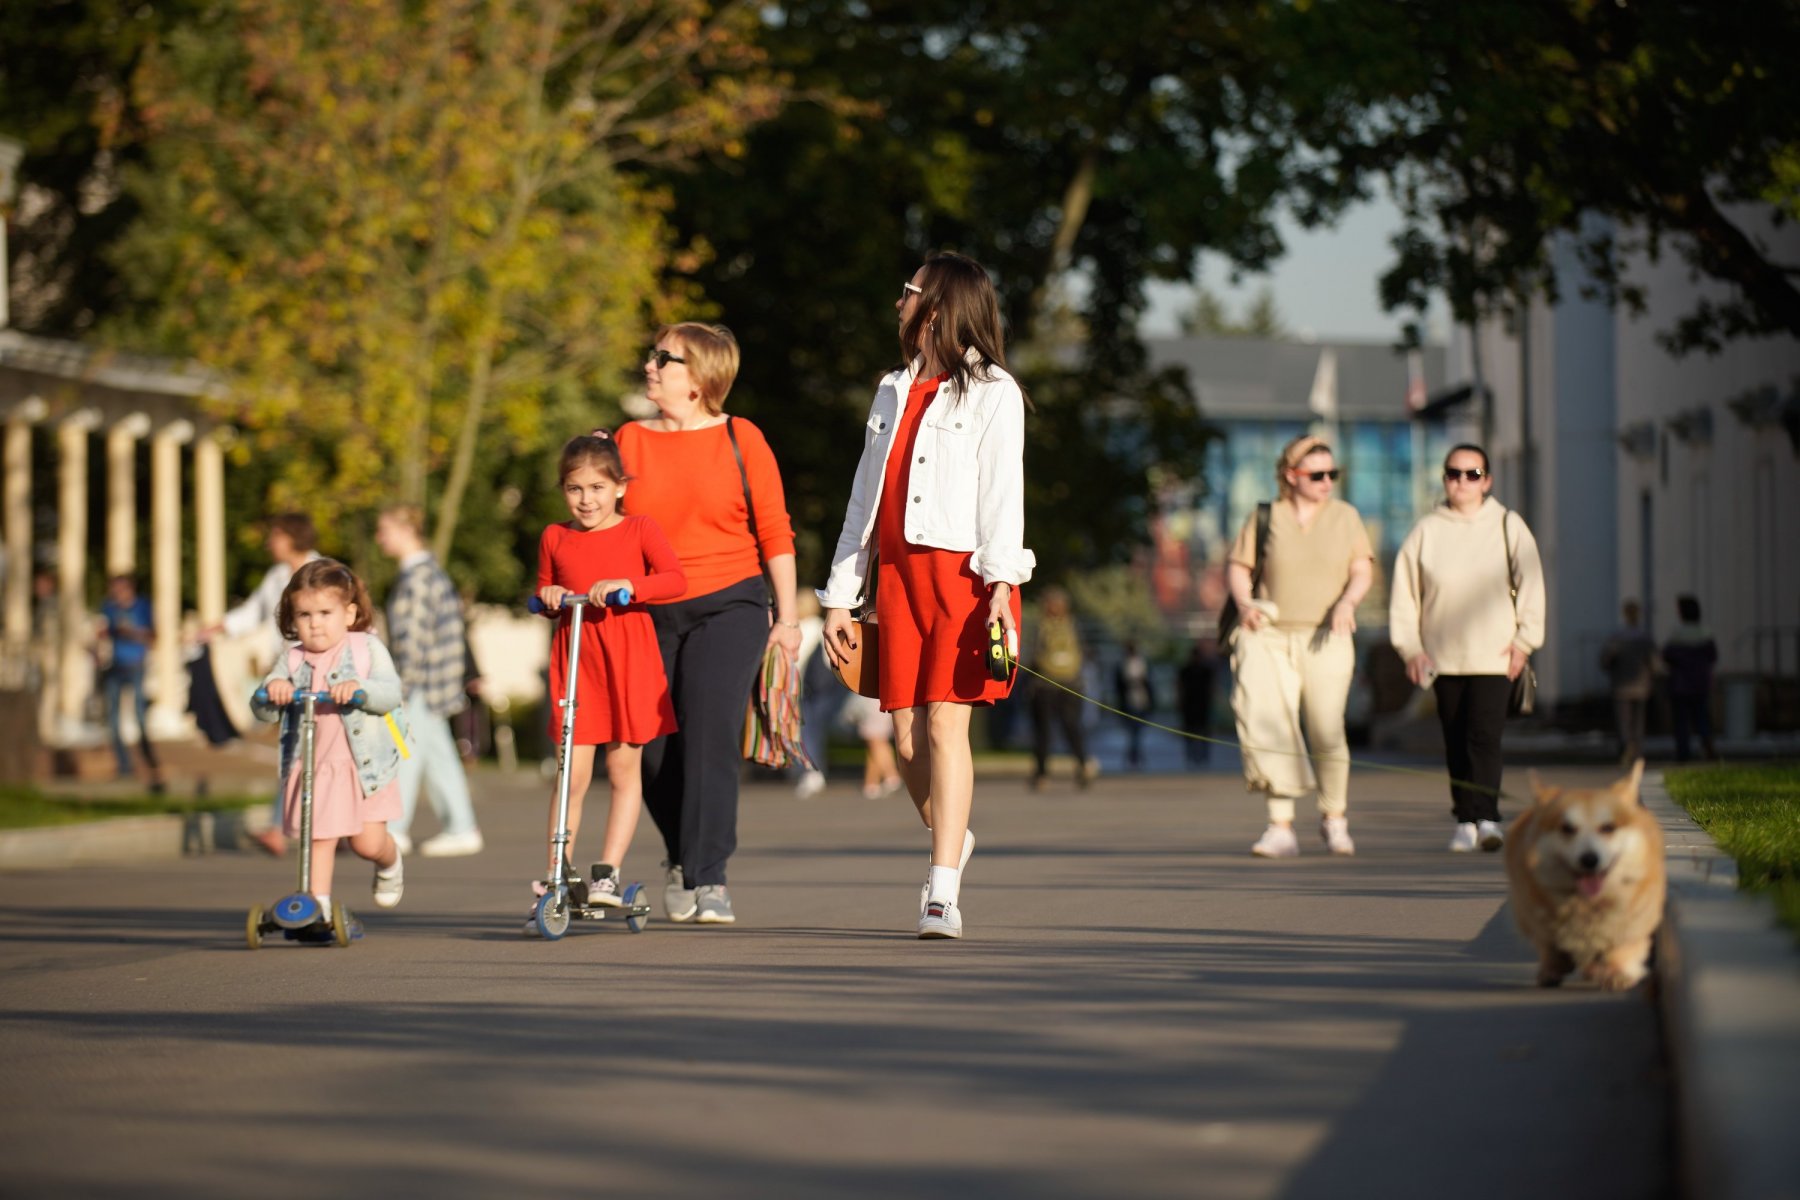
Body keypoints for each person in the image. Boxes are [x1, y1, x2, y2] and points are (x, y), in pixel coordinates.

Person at [820, 251, 1034, 939]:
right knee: (906, 736)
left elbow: (1004, 497)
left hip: (966, 580)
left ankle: (942, 892)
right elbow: (862, 500)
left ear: (937, 306)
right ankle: (953, 835)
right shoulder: (890, 389)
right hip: (897, 581)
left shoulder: (994, 390)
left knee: (946, 723)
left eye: (907, 291)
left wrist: (1003, 584)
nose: (898, 302)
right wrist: (838, 597)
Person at [614, 325, 800, 925]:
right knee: (649, 751)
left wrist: (789, 619)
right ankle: (679, 855)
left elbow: (775, 533)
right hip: (646, 608)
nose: (650, 365)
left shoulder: (742, 437)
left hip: (731, 604)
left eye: (663, 359)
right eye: (653, 354)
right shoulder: (626, 441)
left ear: (698, 378)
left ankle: (710, 876)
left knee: (710, 734)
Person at [531, 432, 686, 915]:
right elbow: (543, 589)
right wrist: (551, 596)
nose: (586, 500)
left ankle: (608, 871)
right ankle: (559, 866)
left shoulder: (639, 528)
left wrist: (629, 585)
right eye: (575, 489)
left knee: (623, 768)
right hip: (579, 666)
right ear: (563, 491)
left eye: (597, 488)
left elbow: (674, 580)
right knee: (570, 775)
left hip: (628, 661)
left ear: (619, 487)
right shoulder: (555, 536)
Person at [1389, 444, 1546, 853]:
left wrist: (1524, 641)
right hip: (1442, 656)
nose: (1462, 482)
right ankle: (1464, 817)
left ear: (1487, 481)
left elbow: (1531, 583)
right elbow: (1405, 594)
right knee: (1455, 738)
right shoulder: (1426, 530)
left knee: (1484, 737)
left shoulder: (1508, 525)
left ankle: (1488, 817)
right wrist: (1410, 648)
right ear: (1444, 479)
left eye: (1472, 474)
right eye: (1454, 474)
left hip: (1495, 655)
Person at [1227, 433, 1373, 859]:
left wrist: (1348, 602)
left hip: (1328, 636)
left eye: (1333, 473)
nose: (1328, 481)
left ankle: (1334, 818)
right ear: (1292, 476)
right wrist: (1244, 604)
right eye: (1318, 474)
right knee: (1273, 725)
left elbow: (1361, 569)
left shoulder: (1345, 516)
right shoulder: (1264, 516)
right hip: (1271, 636)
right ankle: (1281, 825)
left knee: (1326, 728)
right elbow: (1239, 567)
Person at [249, 559, 406, 916]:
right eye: (304, 615)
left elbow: (391, 693)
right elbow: (262, 710)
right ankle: (315, 906)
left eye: (324, 612)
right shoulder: (291, 659)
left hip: (365, 768)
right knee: (318, 837)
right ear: (291, 619)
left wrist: (360, 690)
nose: (315, 623)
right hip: (316, 767)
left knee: (367, 844)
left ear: (349, 614)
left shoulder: (365, 648)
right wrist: (271, 690)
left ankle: (390, 861)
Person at [205, 512, 322, 856]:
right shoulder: (276, 577)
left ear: (292, 537)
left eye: (276, 535)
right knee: (297, 749)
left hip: (321, 670)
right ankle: (283, 826)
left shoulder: (322, 572)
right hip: (289, 672)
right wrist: (217, 628)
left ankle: (292, 826)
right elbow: (253, 612)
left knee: (314, 751)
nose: (270, 542)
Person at [375, 505, 485, 858]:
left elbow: (413, 639)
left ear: (407, 530)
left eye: (385, 530)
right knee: (436, 756)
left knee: (405, 752)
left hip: (421, 682)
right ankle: (461, 827)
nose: (381, 538)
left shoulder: (418, 577)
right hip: (433, 681)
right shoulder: (429, 573)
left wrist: (400, 687)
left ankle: (396, 829)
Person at [97, 574, 164, 790]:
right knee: (113, 719)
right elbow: (101, 632)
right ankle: (124, 766)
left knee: (139, 717)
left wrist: (131, 632)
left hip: (136, 665)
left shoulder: (142, 606)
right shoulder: (108, 607)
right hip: (115, 667)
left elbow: (153, 636)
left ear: (129, 589)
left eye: (119, 589)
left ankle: (150, 763)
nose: (115, 594)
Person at [1026, 586, 1092, 790]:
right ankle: (1082, 765)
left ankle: (1042, 775)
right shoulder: (1073, 625)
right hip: (1071, 684)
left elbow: (1033, 655)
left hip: (1044, 685)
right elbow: (1083, 653)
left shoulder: (1042, 625)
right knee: (1072, 728)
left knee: (1043, 732)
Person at [1662, 595, 1720, 763]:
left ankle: (1683, 752)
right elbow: (1713, 656)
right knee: (1702, 716)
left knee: (1681, 721)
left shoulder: (1677, 634)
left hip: (1680, 683)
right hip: (1701, 682)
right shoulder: (1705, 633)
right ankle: (1707, 746)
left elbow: (1667, 656)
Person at [1600, 600, 1658, 765]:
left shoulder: (1617, 638)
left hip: (1621, 685)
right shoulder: (1645, 638)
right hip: (1641, 685)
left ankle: (1625, 747)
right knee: (1638, 722)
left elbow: (1605, 660)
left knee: (1623, 721)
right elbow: (1654, 663)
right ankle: (1638, 752)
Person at [793, 591, 838, 799]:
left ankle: (812, 773)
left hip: (806, 688)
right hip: (826, 687)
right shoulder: (821, 625)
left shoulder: (802, 628)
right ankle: (816, 771)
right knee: (815, 730)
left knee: (807, 731)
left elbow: (797, 660)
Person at [840, 693, 903, 798]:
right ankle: (871, 783)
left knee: (875, 741)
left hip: (873, 701)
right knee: (875, 745)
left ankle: (891, 774)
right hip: (882, 700)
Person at [1176, 639, 1219, 767]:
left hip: (1202, 705)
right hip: (1189, 705)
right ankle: (1192, 754)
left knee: (1203, 731)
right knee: (1190, 732)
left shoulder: (1206, 670)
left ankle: (1203, 755)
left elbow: (1212, 687)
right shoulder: (1185, 670)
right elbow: (1179, 686)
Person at [1114, 640, 1156, 770]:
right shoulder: (1121, 665)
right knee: (1132, 733)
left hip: (1142, 702)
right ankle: (1135, 756)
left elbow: (1150, 684)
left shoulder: (1143, 663)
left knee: (1137, 732)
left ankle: (1134, 756)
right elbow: (1118, 686)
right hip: (1128, 703)